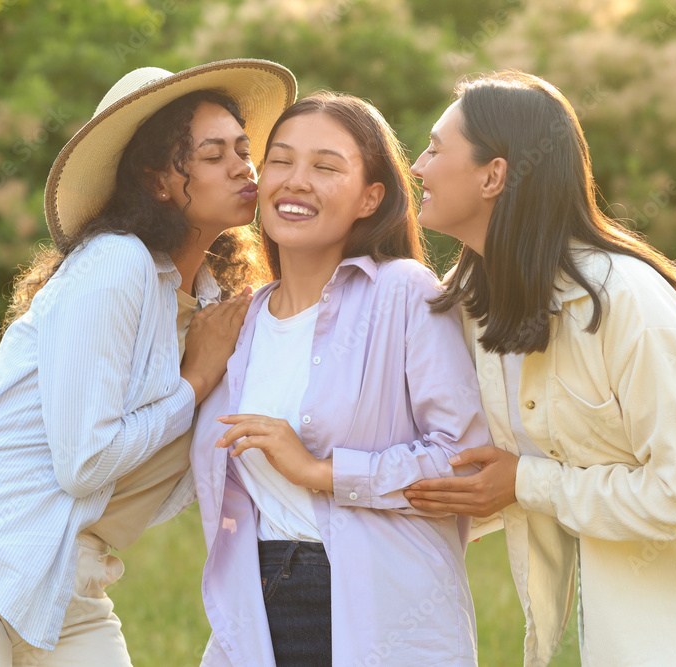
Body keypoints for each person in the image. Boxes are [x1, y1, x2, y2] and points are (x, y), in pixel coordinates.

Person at [0, 59, 296, 666]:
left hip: (68, 584)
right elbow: (85, 462)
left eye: (245, 149)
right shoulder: (118, 263)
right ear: (157, 180)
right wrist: (193, 383)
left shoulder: (215, 309)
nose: (243, 167)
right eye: (212, 153)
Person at [404, 70, 676, 666]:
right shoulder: (473, 305)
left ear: (494, 175)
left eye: (435, 148)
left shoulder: (630, 302)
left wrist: (527, 481)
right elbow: (475, 461)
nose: (417, 166)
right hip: (634, 636)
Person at [189, 92, 493, 667]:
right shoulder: (240, 320)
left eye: (326, 167)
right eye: (280, 160)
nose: (296, 180)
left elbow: (464, 460)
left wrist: (322, 473)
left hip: (380, 611)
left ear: (370, 197)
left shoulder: (402, 292)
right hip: (254, 604)